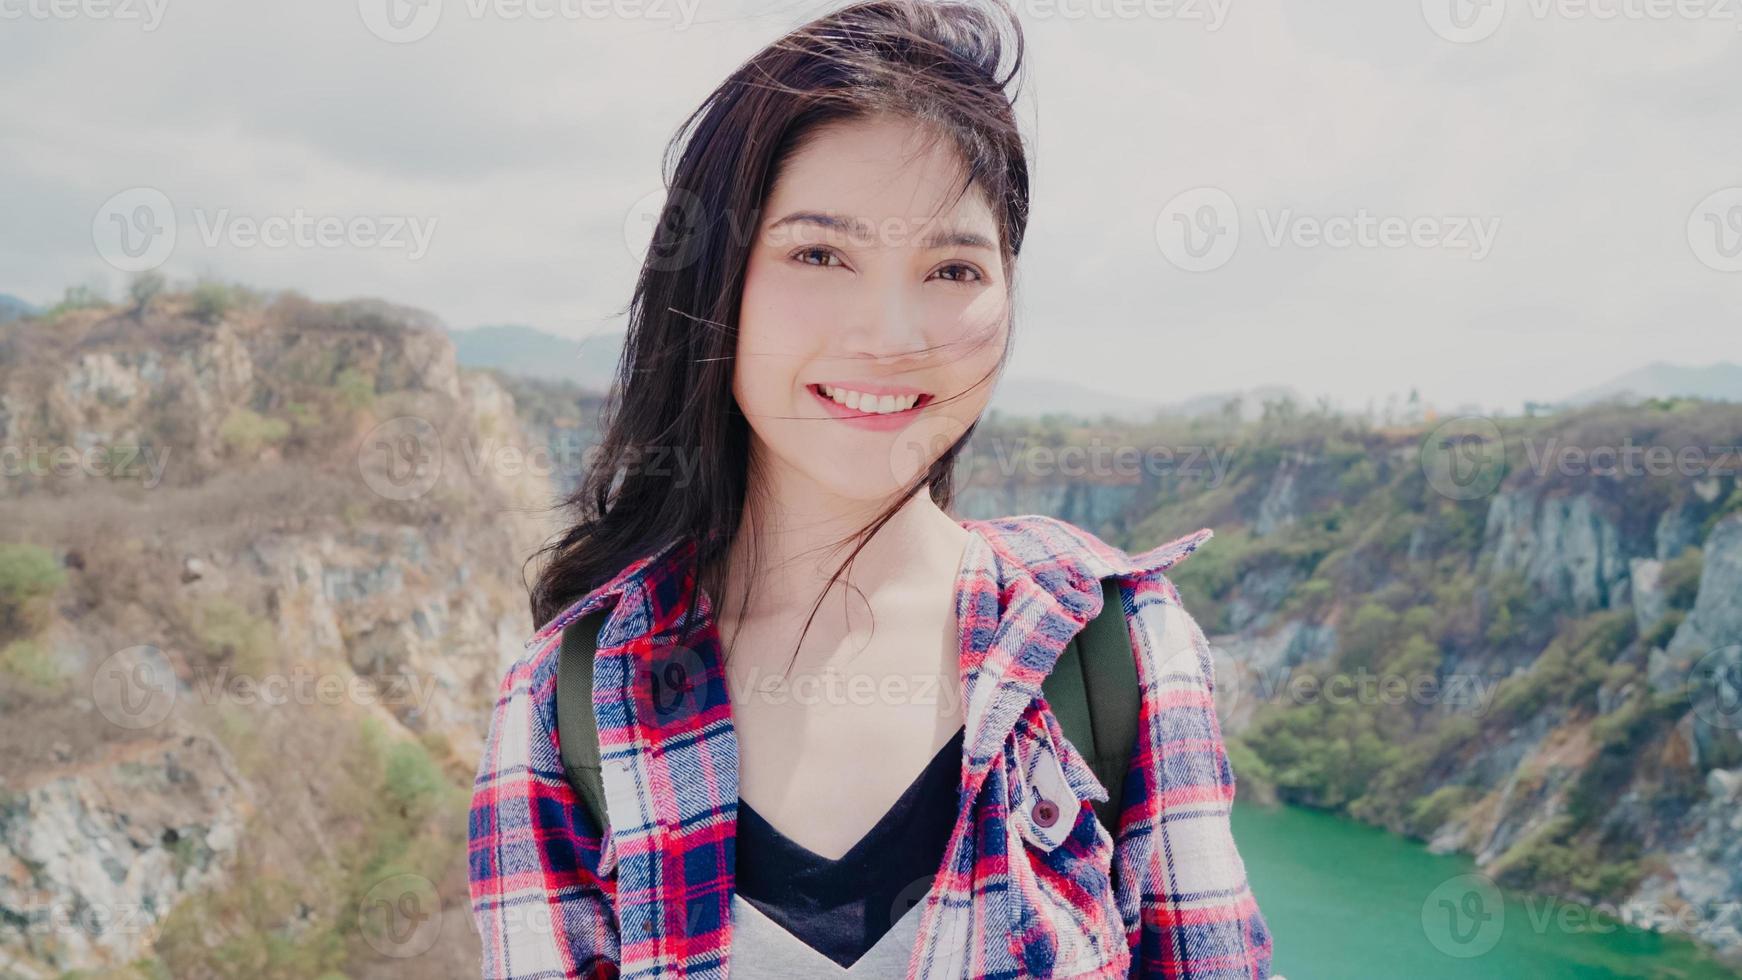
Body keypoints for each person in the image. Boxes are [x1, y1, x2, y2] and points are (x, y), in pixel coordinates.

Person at [468, 1, 1274, 976]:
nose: (889, 332)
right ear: (716, 279)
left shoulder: (1110, 649)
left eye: (950, 267)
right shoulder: (573, 702)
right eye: (818, 253)